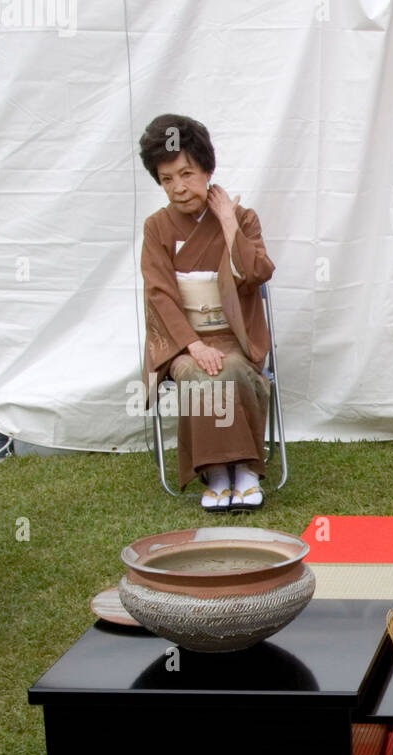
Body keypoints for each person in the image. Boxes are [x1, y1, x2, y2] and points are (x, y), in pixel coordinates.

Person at [139, 114, 275, 511]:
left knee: (231, 368)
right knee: (199, 374)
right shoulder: (157, 227)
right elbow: (159, 295)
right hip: (183, 340)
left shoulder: (243, 217)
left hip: (235, 335)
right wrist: (193, 346)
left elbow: (256, 273)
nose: (179, 188)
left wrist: (229, 222)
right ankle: (216, 474)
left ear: (207, 170)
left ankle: (246, 471)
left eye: (187, 174)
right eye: (167, 179)